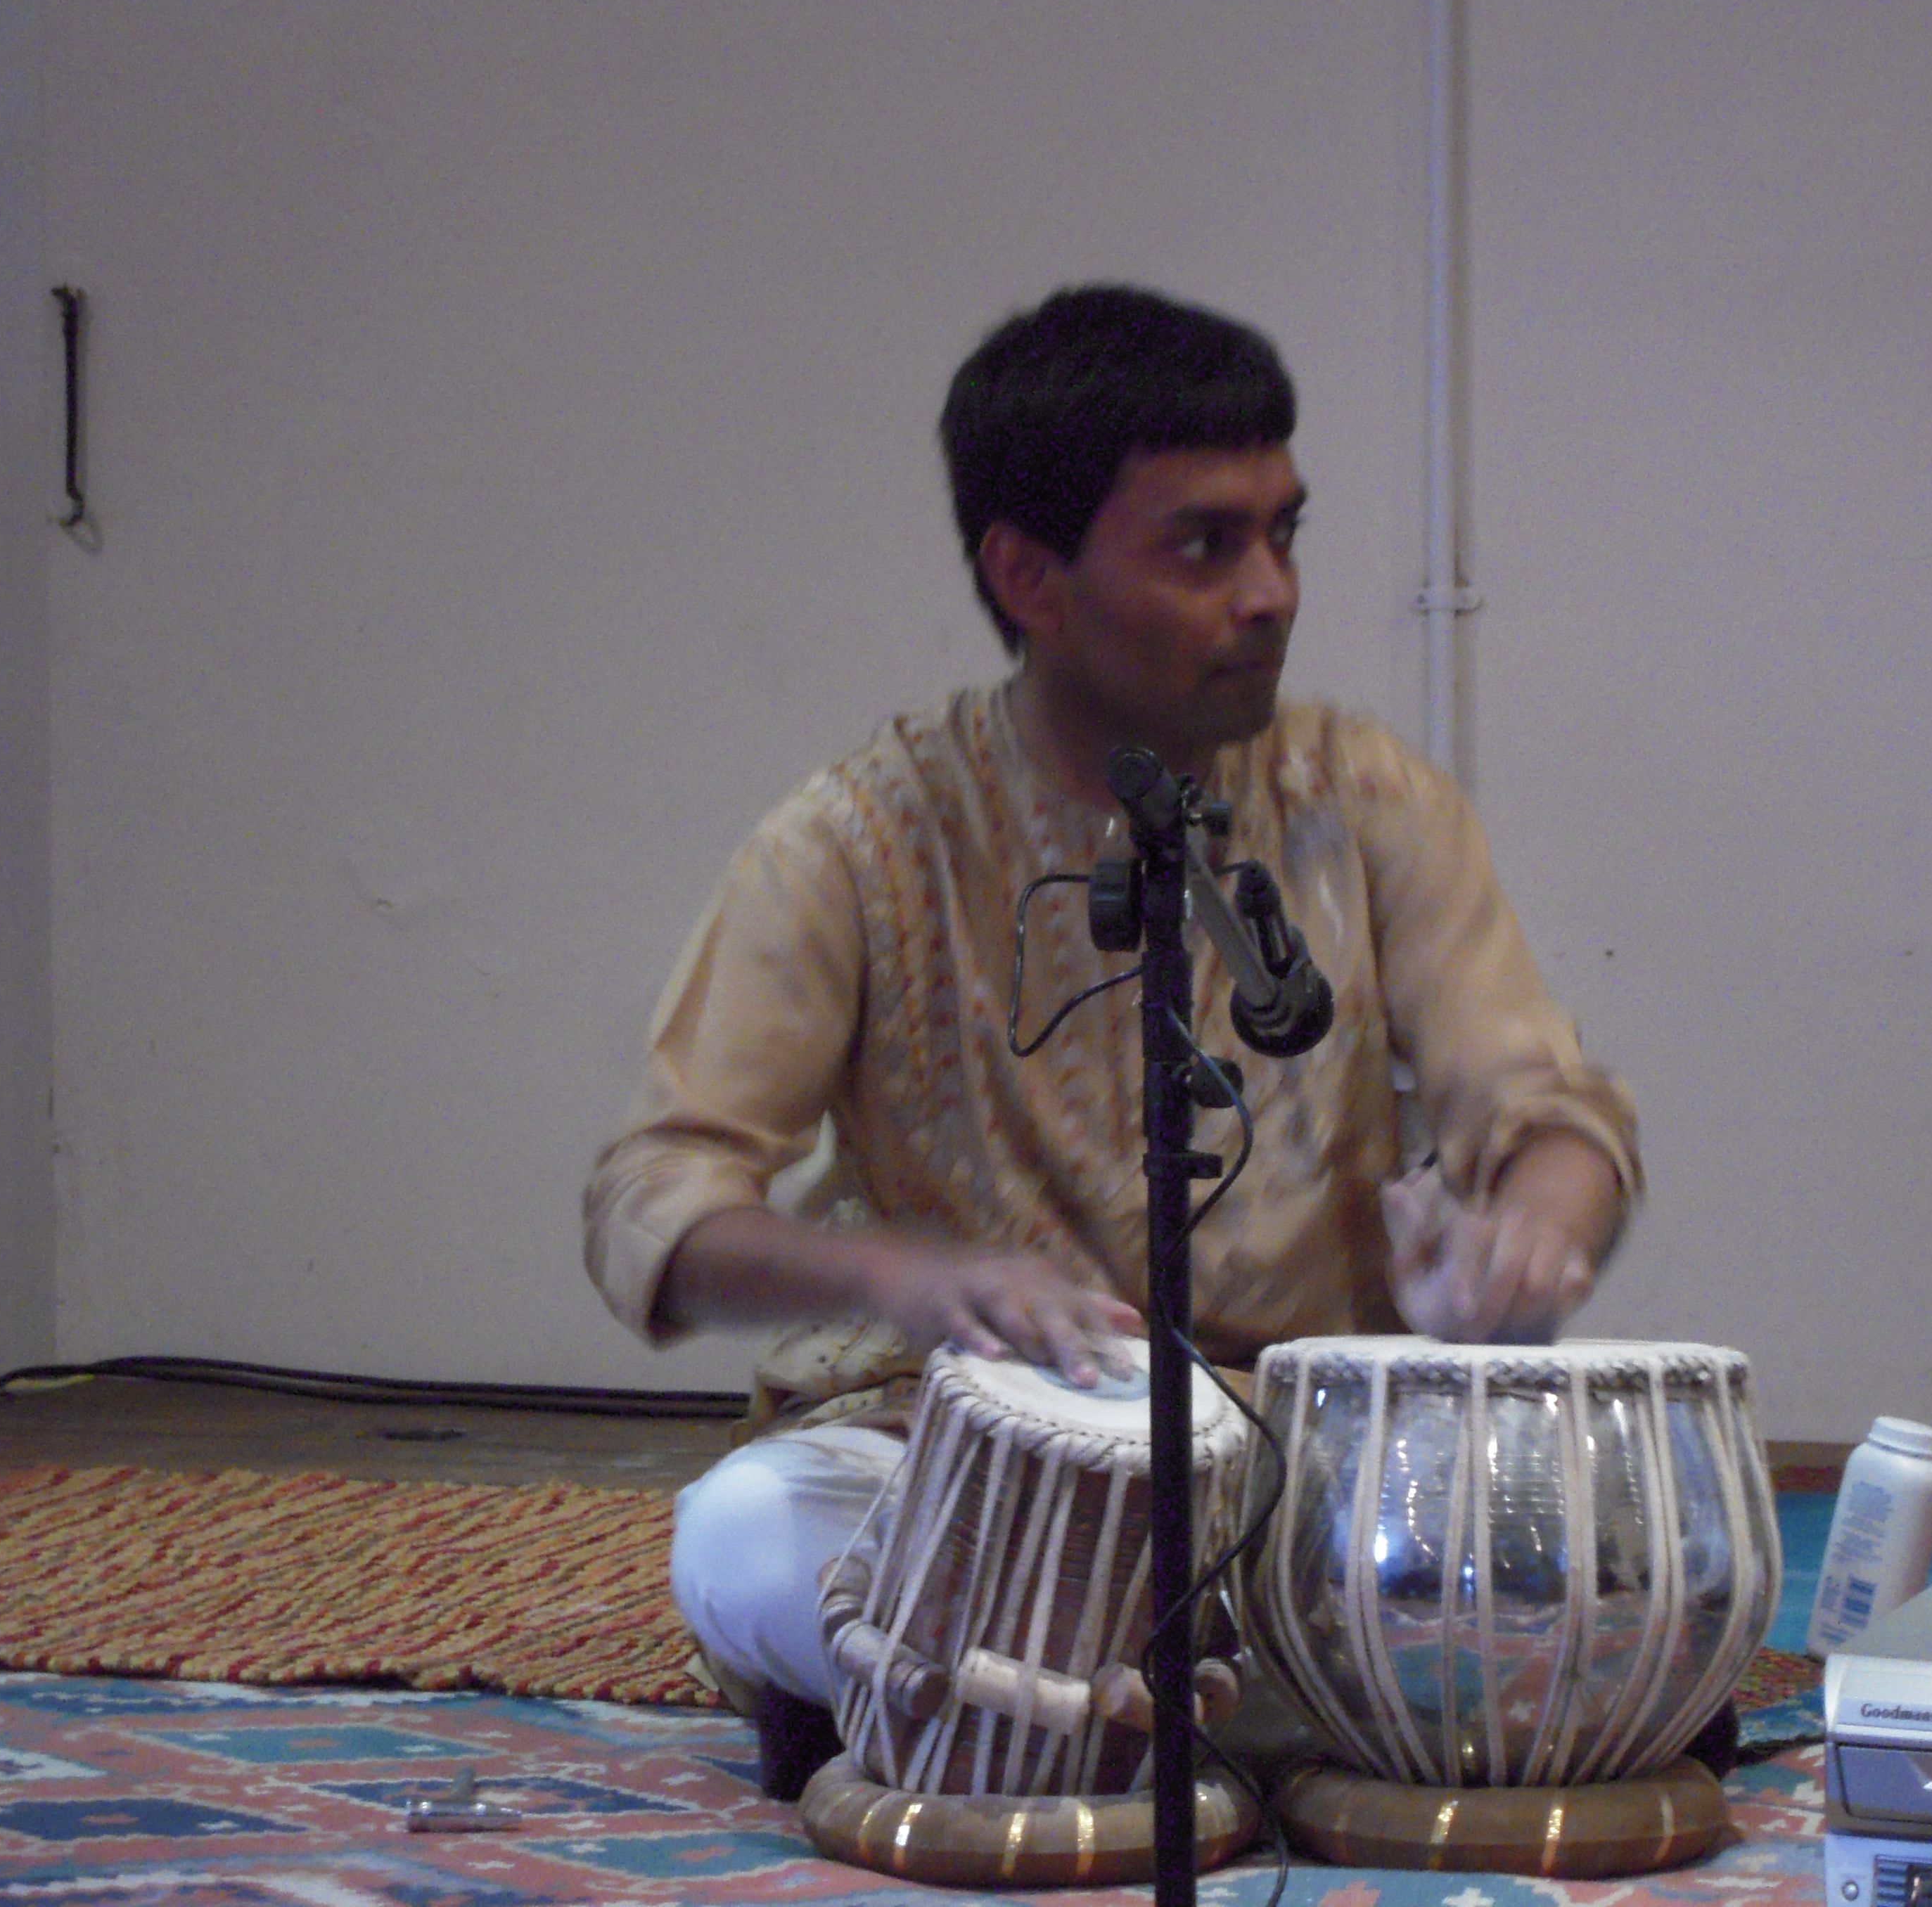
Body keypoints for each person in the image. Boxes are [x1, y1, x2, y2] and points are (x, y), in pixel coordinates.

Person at [584, 284, 1641, 1796]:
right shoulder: (865, 839)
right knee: (748, 1538)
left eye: (1284, 533)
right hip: (957, 1462)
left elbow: (1544, 1106)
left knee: (1595, 1545)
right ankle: (1192, 1702)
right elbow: (657, 1203)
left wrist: (1526, 1243)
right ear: (1030, 575)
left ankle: (991, 1703)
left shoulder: (1363, 802)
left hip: (1305, 1467)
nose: (1271, 593)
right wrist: (906, 1276)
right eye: (1206, 546)